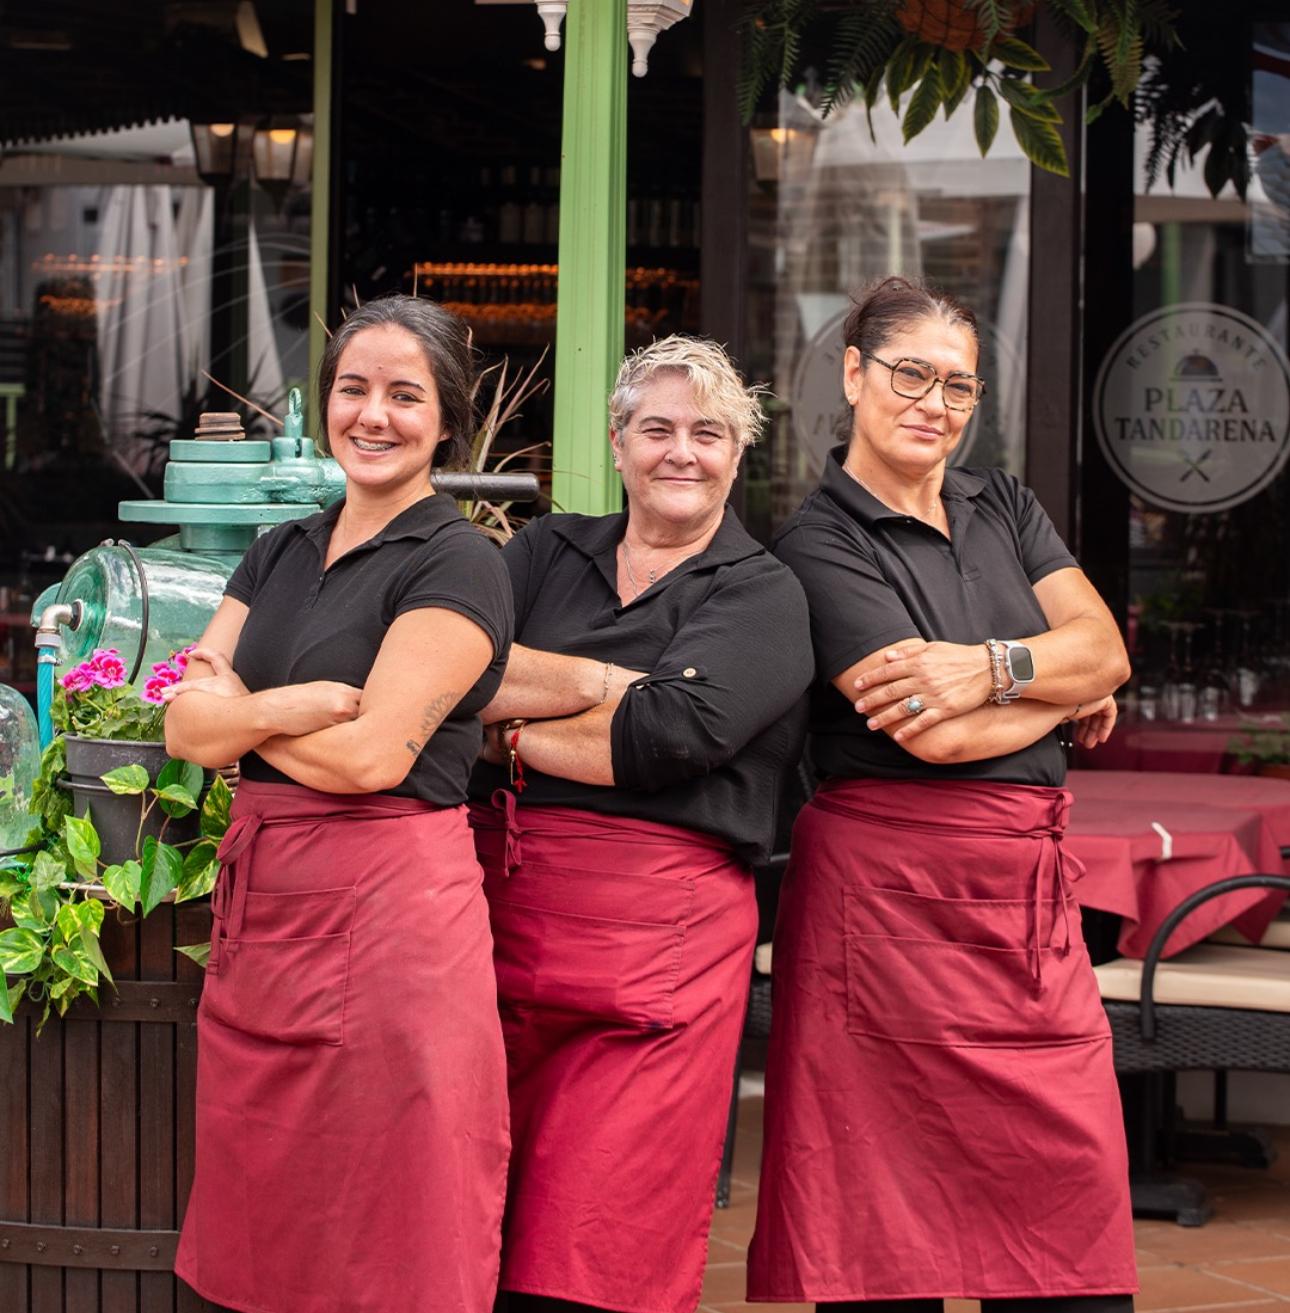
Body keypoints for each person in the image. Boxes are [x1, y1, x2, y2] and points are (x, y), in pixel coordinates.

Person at [748, 275, 1136, 1312]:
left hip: (1021, 914)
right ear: (854, 376)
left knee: (1074, 1260)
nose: (935, 403)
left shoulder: (1003, 501)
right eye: (911, 373)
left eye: (958, 385)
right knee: (883, 1253)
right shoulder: (813, 545)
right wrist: (1057, 694)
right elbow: (934, 731)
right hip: (881, 906)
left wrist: (992, 667)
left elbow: (1105, 647)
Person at [163, 295, 513, 1313]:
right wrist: (290, 703)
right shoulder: (278, 549)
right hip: (267, 921)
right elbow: (181, 728)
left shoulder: (460, 562)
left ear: (445, 417)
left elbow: (371, 757)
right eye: (355, 388)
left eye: (406, 395)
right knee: (261, 1224)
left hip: (393, 923)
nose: (375, 414)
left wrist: (239, 716)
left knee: (391, 1228)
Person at [468, 335, 814, 1313]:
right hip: (494, 926)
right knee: (472, 1223)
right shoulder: (543, 550)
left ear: (736, 456)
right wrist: (603, 685)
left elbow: (675, 731)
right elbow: (459, 673)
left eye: (708, 433)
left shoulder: (762, 591)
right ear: (617, 443)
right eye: (656, 427)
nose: (682, 451)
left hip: (658, 950)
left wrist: (511, 736)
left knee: (600, 1238)